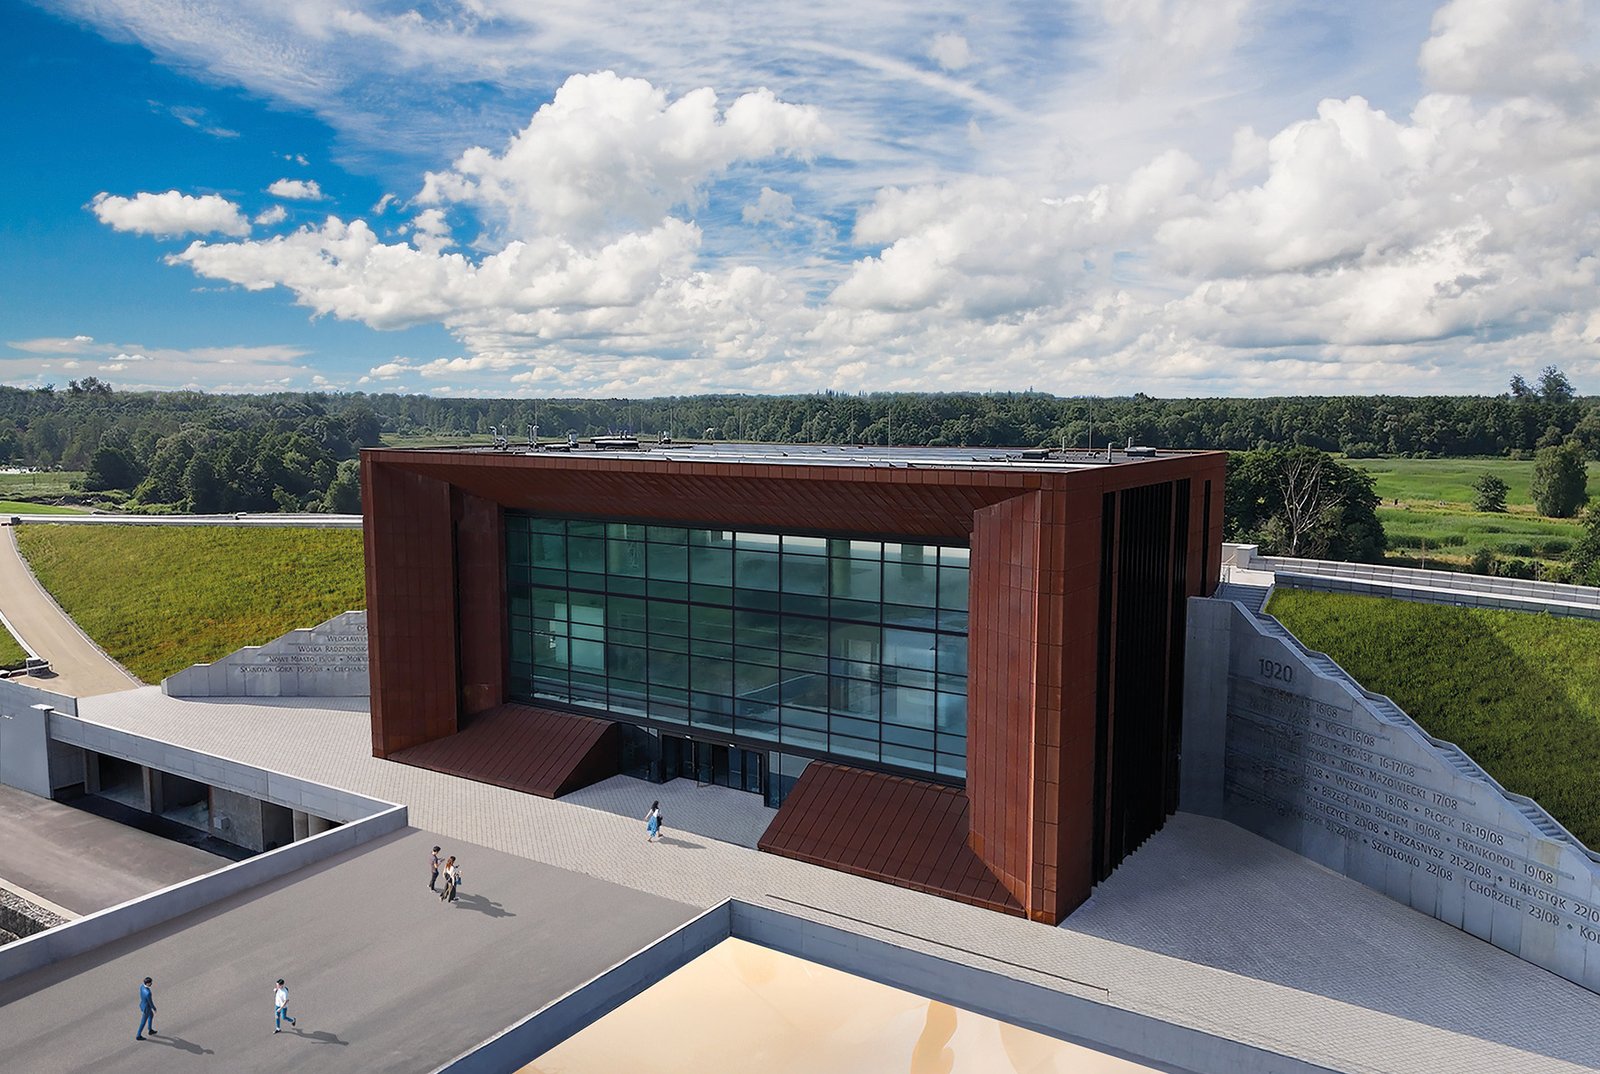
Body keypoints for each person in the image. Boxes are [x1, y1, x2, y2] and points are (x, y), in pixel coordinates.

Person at [136, 976, 156, 1041]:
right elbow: (150, 1002)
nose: (151, 984)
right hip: (147, 1008)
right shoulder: (148, 993)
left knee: (151, 1015)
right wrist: (154, 1008)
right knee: (143, 1022)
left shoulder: (142, 986)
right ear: (147, 983)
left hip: (143, 1004)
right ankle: (138, 1035)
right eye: (150, 983)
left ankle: (150, 1029)